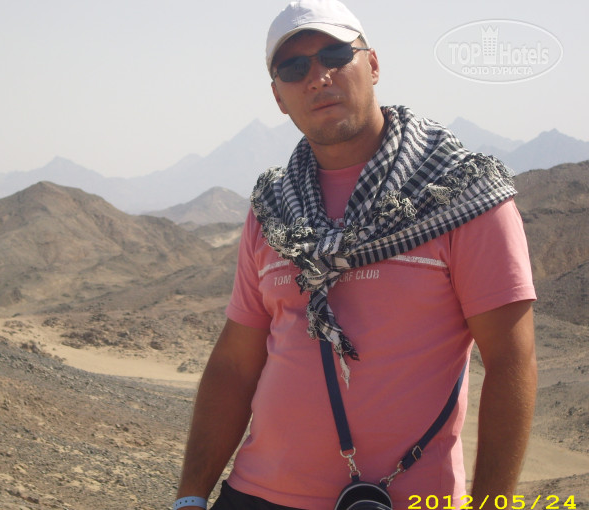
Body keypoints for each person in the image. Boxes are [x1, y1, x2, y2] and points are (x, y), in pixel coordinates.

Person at [175, 1, 537, 509]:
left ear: (373, 64)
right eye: (294, 68)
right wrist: (190, 497)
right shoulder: (273, 210)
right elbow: (236, 364)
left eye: (335, 55)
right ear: (278, 97)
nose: (318, 77)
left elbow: (511, 361)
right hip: (254, 495)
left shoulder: (460, 195)